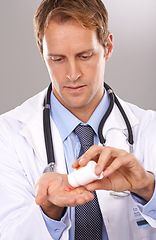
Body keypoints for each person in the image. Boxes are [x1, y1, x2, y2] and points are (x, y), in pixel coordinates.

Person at [0, 0, 156, 239]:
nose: (73, 75)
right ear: (42, 53)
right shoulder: (7, 134)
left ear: (108, 47)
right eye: (58, 59)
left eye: (85, 56)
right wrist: (49, 210)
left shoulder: (149, 128)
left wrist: (147, 187)